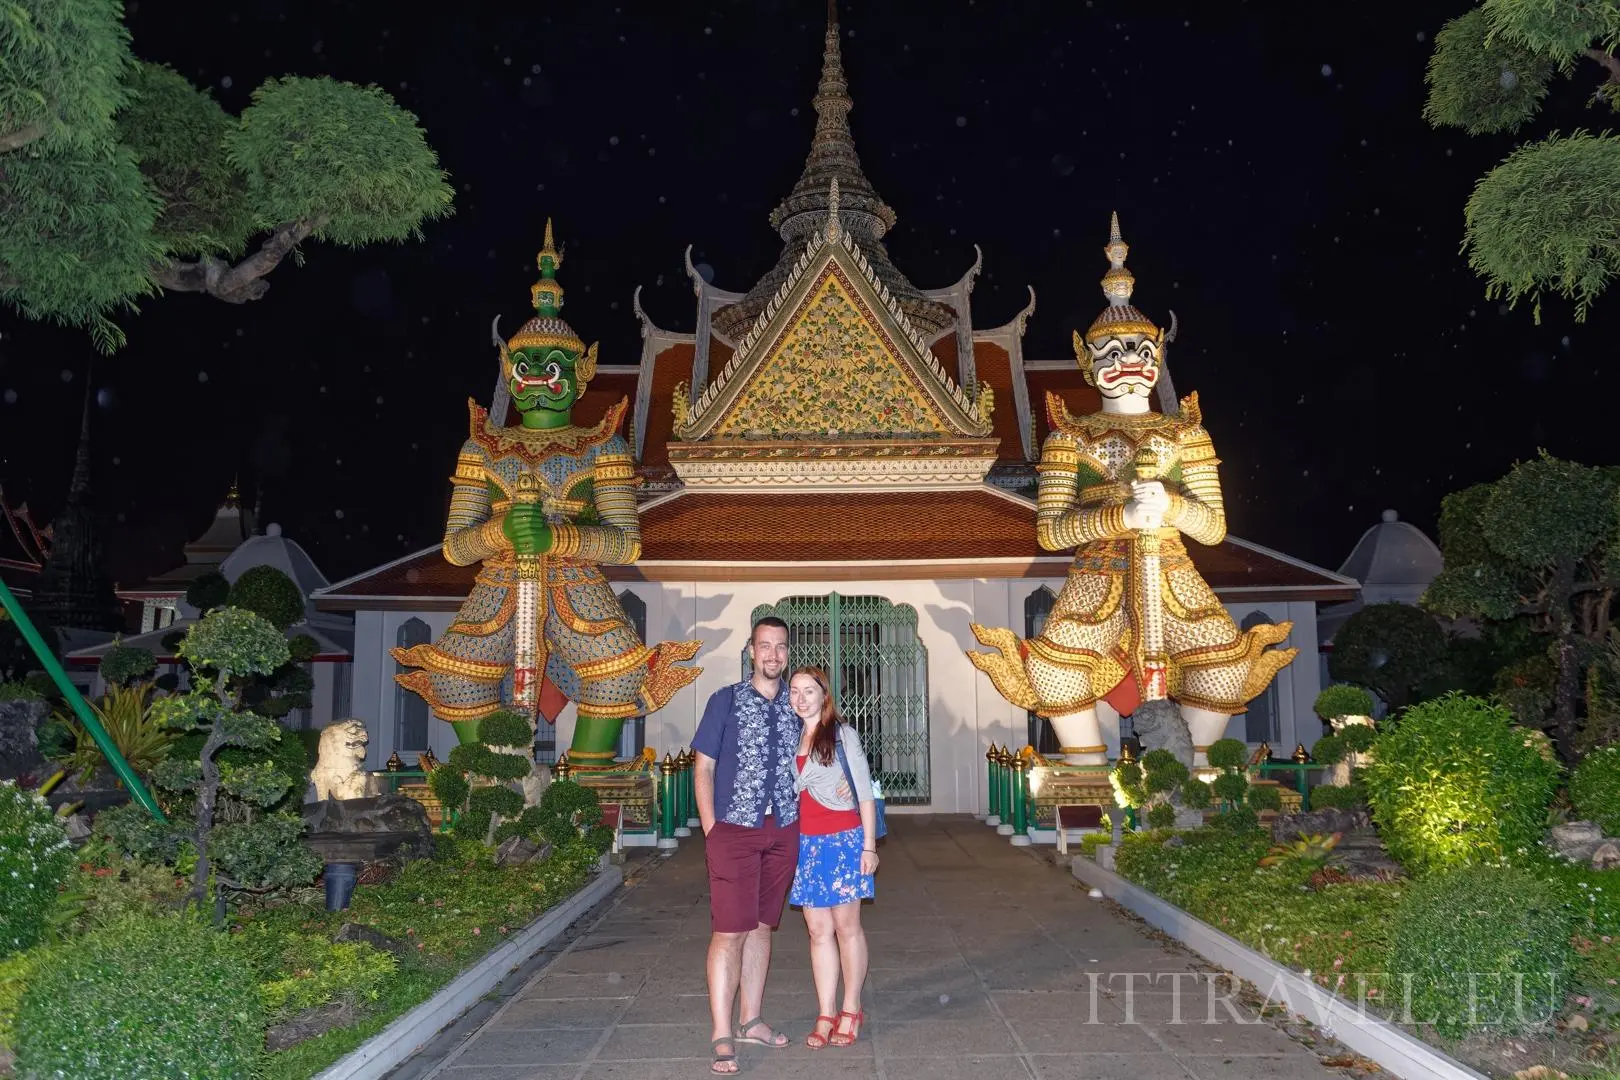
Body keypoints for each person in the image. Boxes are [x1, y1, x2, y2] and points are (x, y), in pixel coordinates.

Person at [692, 617, 802, 1075]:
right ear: (751, 651)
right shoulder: (727, 702)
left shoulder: (800, 706)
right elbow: (702, 768)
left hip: (784, 831)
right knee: (729, 932)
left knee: (760, 927)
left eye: (779, 647)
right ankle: (722, 1034)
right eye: (764, 646)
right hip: (734, 831)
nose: (772, 654)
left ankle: (750, 1019)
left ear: (786, 653)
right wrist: (712, 829)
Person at [787, 665, 878, 1049]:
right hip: (805, 844)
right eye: (794, 691)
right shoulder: (788, 738)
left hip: (843, 841)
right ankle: (826, 1012)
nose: (801, 698)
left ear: (824, 696)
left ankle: (851, 1007)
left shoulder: (842, 735)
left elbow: (864, 793)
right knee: (817, 931)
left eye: (809, 690)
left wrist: (869, 846)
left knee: (846, 927)